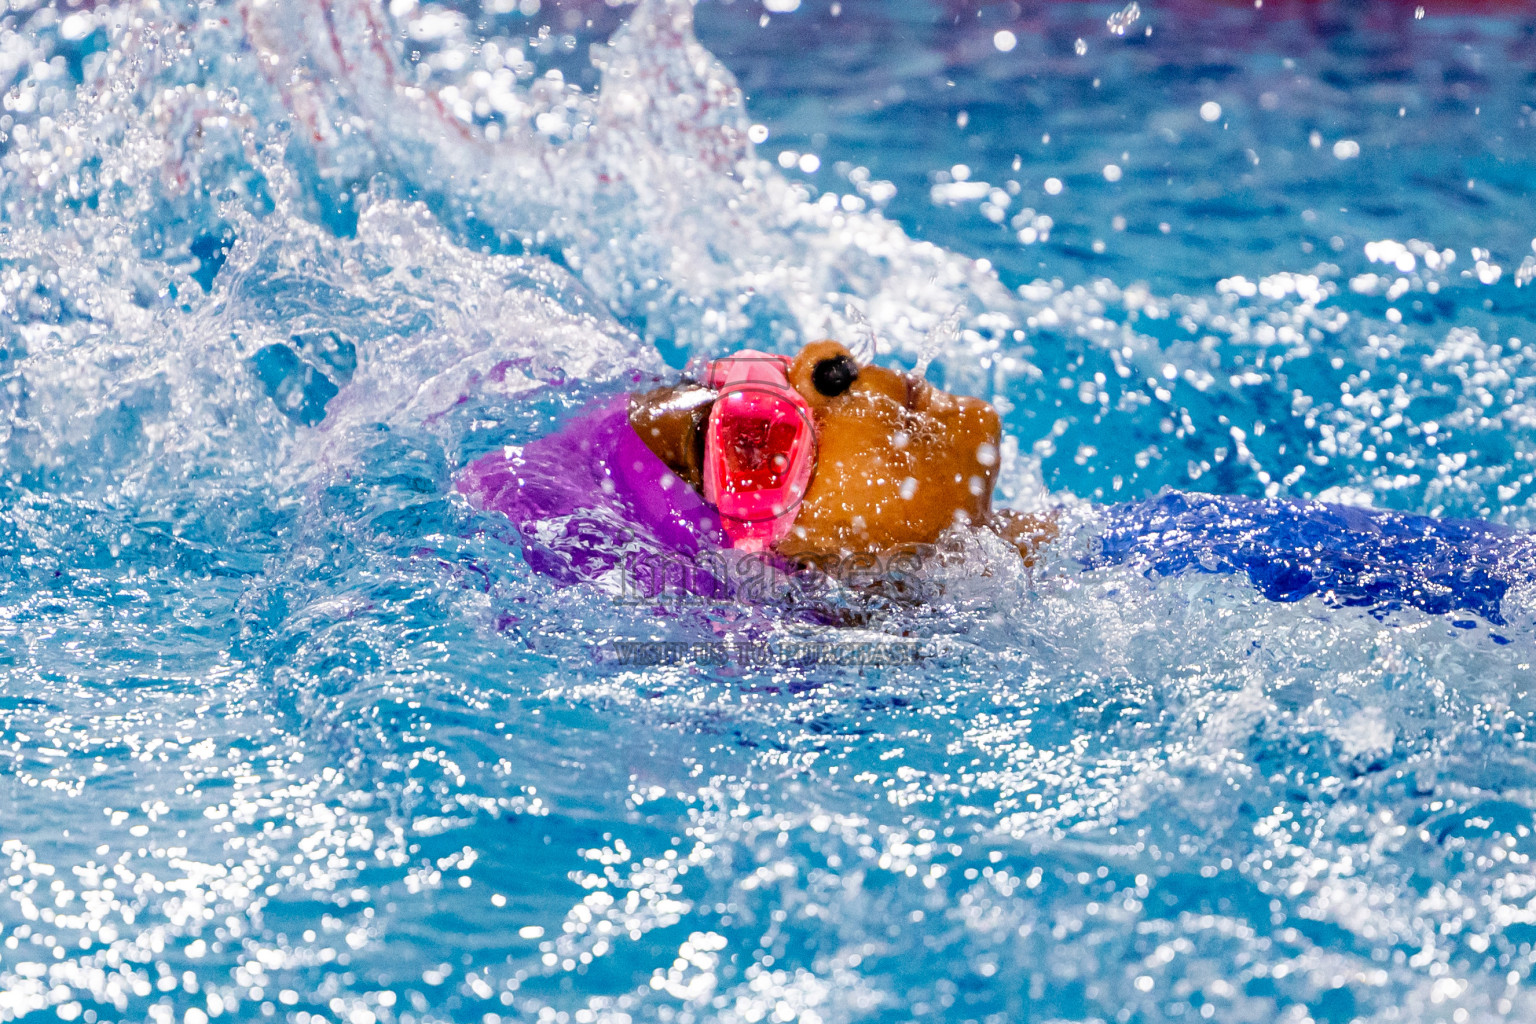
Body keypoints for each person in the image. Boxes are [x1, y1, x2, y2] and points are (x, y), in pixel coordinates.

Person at [459, 341, 1527, 626]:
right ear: (775, 564)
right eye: (755, 445)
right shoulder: (1145, 608)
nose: (832, 376)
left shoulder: (1149, 546)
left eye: (770, 372)